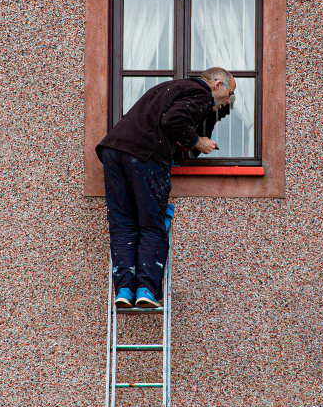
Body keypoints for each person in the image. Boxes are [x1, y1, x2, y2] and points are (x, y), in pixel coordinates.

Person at [96, 67, 236, 307]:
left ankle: (124, 291)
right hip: (143, 156)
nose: (227, 103)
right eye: (229, 94)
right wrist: (196, 141)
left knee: (123, 226)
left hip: (113, 152)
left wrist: (176, 142)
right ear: (216, 85)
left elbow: (162, 121)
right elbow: (173, 120)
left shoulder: (173, 88)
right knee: (152, 226)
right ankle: (146, 291)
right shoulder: (200, 94)